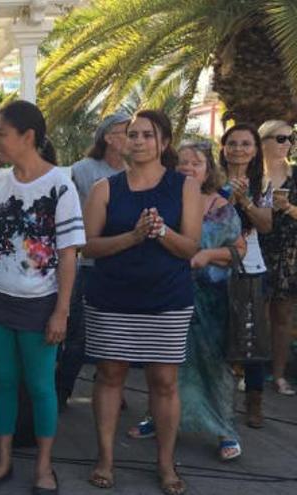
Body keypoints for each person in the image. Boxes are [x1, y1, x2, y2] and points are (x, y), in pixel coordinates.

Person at [82, 110, 202, 495]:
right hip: (112, 299)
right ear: (120, 141)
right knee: (109, 376)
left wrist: (161, 231)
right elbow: (88, 246)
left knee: (164, 381)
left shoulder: (184, 187)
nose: (138, 141)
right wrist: (133, 237)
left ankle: (166, 465)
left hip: (166, 299)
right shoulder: (104, 188)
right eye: (132, 134)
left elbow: (190, 247)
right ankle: (105, 459)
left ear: (163, 143)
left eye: (147, 135)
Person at [0, 100, 83, 494]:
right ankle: (3, 461)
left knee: (39, 386)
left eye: (1, 133)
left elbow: (69, 255)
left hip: (40, 305)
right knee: (3, 381)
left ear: (28, 136)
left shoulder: (60, 186)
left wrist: (61, 312)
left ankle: (44, 467)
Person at [127, 142, 247, 461]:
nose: (188, 168)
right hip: (167, 294)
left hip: (210, 301)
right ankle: (159, 419)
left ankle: (225, 430)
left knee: (213, 365)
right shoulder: (165, 200)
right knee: (164, 364)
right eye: (182, 163)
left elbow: (238, 250)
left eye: (196, 163)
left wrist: (207, 254)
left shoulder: (222, 206)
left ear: (209, 169)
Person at [56, 112, 130, 409]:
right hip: (87, 267)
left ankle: (113, 389)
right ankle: (61, 392)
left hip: (126, 266)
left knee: (118, 335)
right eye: (128, 132)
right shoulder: (81, 171)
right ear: (109, 137)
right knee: (79, 335)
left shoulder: (139, 171)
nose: (135, 138)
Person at [219, 123, 273, 427]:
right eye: (232, 143)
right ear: (223, 147)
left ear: (255, 151)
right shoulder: (210, 180)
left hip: (250, 268)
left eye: (246, 144)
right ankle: (217, 399)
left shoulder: (261, 183)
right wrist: (226, 196)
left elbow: (265, 225)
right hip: (215, 267)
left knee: (251, 339)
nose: (238, 149)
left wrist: (245, 201)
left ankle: (254, 401)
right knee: (217, 335)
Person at [257, 120, 297, 396]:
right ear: (265, 141)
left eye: (291, 139)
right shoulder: (251, 175)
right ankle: (250, 371)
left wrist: (290, 208)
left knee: (282, 317)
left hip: (288, 252)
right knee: (255, 315)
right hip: (255, 250)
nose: (288, 144)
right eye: (281, 138)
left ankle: (279, 375)